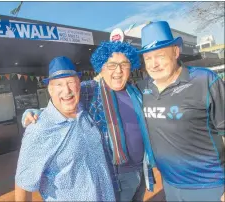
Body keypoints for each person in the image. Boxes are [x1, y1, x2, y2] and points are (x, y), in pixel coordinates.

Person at [22, 42, 156, 202]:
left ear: (131, 67)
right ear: (102, 68)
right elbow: (62, 102)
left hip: (140, 170)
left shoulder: (136, 92)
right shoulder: (89, 90)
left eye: (124, 64)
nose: (118, 71)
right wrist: (35, 113)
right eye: (112, 65)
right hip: (114, 175)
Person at [136, 21, 225, 202]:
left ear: (175, 52)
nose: (154, 64)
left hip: (209, 185)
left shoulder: (205, 80)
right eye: (148, 58)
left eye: (160, 56)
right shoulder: (141, 89)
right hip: (170, 185)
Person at [14, 56, 115, 202]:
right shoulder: (39, 130)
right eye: (59, 85)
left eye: (70, 83)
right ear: (50, 89)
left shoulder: (84, 111)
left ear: (79, 85)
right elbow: (23, 184)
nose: (66, 90)